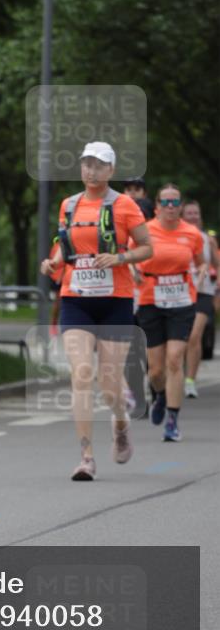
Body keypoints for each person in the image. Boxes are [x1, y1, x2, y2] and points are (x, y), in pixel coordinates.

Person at [40, 141, 152, 481]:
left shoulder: (125, 205)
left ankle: (120, 423)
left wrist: (119, 258)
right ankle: (86, 456)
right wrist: (53, 262)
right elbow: (66, 245)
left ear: (111, 170)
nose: (91, 170)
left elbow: (147, 247)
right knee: (81, 374)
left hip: (114, 301)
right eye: (87, 163)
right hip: (76, 298)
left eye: (99, 164)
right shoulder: (69, 205)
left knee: (109, 385)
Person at [135, 185, 206, 443]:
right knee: (155, 370)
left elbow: (200, 262)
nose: (171, 206)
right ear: (156, 205)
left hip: (181, 299)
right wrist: (132, 270)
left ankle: (173, 420)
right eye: (165, 202)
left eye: (175, 202)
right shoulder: (145, 231)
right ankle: (161, 395)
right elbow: (129, 256)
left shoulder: (192, 234)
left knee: (175, 359)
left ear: (180, 205)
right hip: (150, 298)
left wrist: (201, 272)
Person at [180, 200, 218, 398]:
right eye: (189, 213)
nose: (193, 216)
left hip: (203, 292)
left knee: (195, 336)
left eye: (196, 213)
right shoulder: (176, 237)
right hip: (180, 293)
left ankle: (190, 381)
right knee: (180, 338)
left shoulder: (206, 239)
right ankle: (177, 373)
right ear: (182, 216)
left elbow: (217, 265)